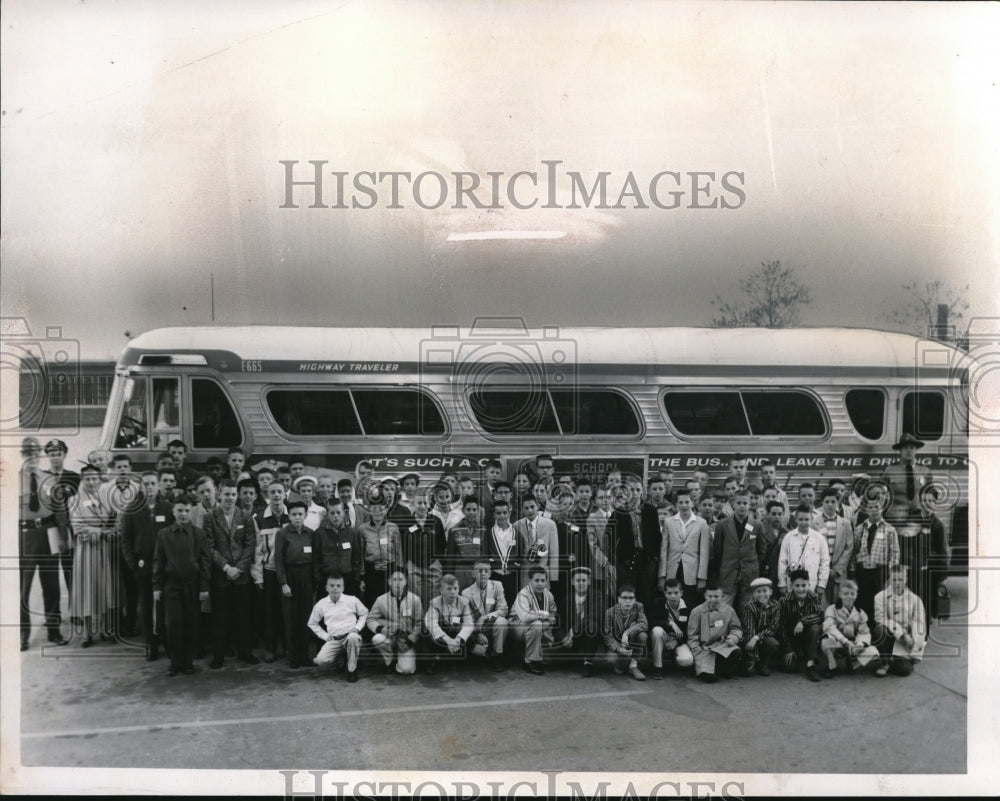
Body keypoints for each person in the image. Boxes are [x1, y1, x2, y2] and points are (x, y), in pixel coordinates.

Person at [152, 495, 212, 676]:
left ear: (191, 512)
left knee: (191, 624)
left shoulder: (199, 534)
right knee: (173, 625)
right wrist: (157, 587)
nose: (183, 514)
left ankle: (187, 663)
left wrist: (204, 587)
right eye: (179, 510)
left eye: (187, 510)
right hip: (171, 587)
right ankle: (175, 662)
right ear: (173, 512)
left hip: (192, 586)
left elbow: (205, 562)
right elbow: (158, 562)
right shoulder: (163, 535)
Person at [19, 437, 69, 650]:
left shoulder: (49, 479)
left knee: (51, 585)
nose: (32, 458)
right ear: (21, 456)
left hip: (48, 533)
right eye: (27, 454)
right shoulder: (11, 479)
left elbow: (60, 510)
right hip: (24, 535)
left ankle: (54, 631)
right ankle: (23, 635)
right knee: (23, 588)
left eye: (35, 454)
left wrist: (64, 538)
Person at [203, 479, 259, 668]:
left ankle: (245, 652)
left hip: (241, 576)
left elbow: (250, 545)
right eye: (226, 494)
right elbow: (209, 547)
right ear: (219, 494)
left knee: (243, 616)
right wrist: (226, 567)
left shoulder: (245, 516)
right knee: (220, 617)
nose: (230, 498)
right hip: (221, 575)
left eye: (233, 494)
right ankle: (218, 655)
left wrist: (239, 568)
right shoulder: (210, 517)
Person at [120, 471, 174, 660]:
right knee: (146, 604)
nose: (150, 487)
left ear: (158, 485)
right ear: (141, 487)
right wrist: (133, 563)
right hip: (143, 565)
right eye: (146, 484)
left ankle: (166, 640)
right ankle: (151, 644)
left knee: (165, 605)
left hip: (164, 566)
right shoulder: (132, 509)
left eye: (153, 483)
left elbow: (174, 536)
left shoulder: (168, 508)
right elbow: (125, 538)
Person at [69, 463, 118, 646]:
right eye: (87, 479)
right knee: (87, 590)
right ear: (82, 480)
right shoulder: (74, 501)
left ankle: (106, 629)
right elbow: (78, 527)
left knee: (106, 588)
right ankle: (88, 633)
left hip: (106, 550)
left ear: (99, 480)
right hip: (86, 551)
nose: (91, 482)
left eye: (94, 478)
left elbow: (115, 520)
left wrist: (113, 530)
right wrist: (103, 532)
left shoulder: (107, 499)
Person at [275, 500, 318, 668]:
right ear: (289, 516)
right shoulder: (283, 534)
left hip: (306, 576)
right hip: (290, 576)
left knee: (305, 617)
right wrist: (283, 583)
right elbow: (278, 560)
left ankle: (305, 655)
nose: (297, 517)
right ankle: (293, 656)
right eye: (294, 514)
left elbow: (315, 559)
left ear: (305, 515)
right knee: (291, 618)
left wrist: (314, 580)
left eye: (300, 514)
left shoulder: (311, 533)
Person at [252, 481, 289, 662]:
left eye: (279, 491)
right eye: (272, 492)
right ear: (268, 495)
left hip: (288, 573)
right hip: (269, 571)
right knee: (269, 612)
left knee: (287, 610)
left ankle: (287, 645)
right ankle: (271, 647)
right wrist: (258, 576)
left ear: (285, 494)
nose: (276, 495)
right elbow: (258, 551)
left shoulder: (293, 516)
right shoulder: (259, 518)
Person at [710, 490, 764, 612]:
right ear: (732, 504)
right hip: (728, 574)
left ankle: (747, 631)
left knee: (747, 609)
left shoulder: (756, 525)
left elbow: (761, 551)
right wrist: (719, 573)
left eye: (745, 503)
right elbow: (717, 551)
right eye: (739, 503)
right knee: (723, 609)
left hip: (749, 575)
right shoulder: (722, 525)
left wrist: (754, 568)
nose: (742, 506)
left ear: (749, 504)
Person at [658, 489, 711, 610]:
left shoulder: (701, 523)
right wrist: (661, 576)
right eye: (681, 502)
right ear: (676, 505)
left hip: (692, 571)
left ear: (692, 503)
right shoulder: (668, 522)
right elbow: (663, 551)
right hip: (673, 569)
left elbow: (704, 552)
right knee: (672, 601)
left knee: (690, 603)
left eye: (687, 502)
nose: (684, 505)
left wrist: (702, 577)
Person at [849, 495, 901, 620]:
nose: (874, 510)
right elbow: (854, 551)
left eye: (876, 507)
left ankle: (876, 630)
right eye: (870, 507)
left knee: (878, 602)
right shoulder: (859, 529)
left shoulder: (890, 530)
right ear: (866, 510)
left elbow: (895, 553)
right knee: (862, 602)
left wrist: (891, 574)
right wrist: (852, 571)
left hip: (879, 573)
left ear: (882, 508)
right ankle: (863, 630)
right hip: (862, 573)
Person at [309, 573, 368, 682]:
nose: (335, 588)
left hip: (350, 637)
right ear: (326, 588)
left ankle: (351, 669)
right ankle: (341, 659)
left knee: (353, 638)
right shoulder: (321, 604)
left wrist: (357, 628)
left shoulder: (352, 600)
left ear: (343, 588)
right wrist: (325, 636)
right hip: (334, 639)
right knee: (320, 661)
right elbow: (312, 623)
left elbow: (364, 613)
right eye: (332, 586)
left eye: (338, 586)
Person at [872, 565, 926, 677]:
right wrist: (902, 634)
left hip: (906, 642)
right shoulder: (879, 597)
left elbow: (920, 625)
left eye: (901, 579)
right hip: (890, 636)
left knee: (905, 670)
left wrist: (915, 650)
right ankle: (885, 662)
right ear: (889, 579)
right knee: (879, 629)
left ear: (906, 579)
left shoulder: (915, 600)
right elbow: (880, 618)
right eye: (894, 579)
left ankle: (898, 659)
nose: (897, 583)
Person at [368, 568, 424, 674]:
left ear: (405, 581)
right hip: (390, 635)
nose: (397, 583)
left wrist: (410, 642)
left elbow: (420, 622)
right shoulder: (381, 600)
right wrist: (382, 628)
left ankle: (402, 655)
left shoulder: (415, 599)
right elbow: (371, 619)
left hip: (405, 639)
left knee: (406, 670)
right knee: (377, 639)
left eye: (400, 579)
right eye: (394, 580)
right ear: (389, 582)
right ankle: (390, 661)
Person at [820, 579, 879, 677]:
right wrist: (845, 641)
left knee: (873, 652)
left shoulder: (861, 613)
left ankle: (853, 664)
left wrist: (859, 644)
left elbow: (864, 633)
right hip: (838, 642)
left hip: (852, 645)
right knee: (825, 642)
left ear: (856, 595)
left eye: (852, 593)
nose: (849, 596)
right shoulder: (831, 609)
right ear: (840, 594)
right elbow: (829, 626)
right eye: (845, 593)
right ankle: (831, 666)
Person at [42, 438, 79, 598]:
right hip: (48, 528)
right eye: (51, 454)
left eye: (58, 453)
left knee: (70, 570)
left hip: (68, 528)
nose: (55, 457)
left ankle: (75, 610)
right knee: (49, 573)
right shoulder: (41, 477)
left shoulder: (74, 477)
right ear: (47, 456)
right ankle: (52, 614)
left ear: (64, 454)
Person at [551, 567, 603, 676]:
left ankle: (588, 663)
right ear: (572, 582)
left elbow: (594, 615)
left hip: (589, 636)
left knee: (592, 626)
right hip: (573, 639)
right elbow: (559, 623)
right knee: (558, 662)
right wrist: (563, 638)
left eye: (584, 580)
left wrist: (575, 629)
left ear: (589, 581)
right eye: (578, 580)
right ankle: (576, 656)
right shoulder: (567, 599)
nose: (581, 583)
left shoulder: (597, 596)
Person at [687, 582, 743, 682]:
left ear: (722, 596)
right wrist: (696, 651)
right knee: (710, 679)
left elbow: (736, 628)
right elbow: (692, 635)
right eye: (710, 596)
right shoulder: (697, 611)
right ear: (705, 596)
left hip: (722, 645)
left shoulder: (729, 610)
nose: (713, 599)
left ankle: (724, 668)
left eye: (716, 596)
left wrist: (733, 638)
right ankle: (710, 668)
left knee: (736, 652)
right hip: (704, 649)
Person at [510, 567, 559, 675]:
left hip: (537, 626)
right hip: (516, 625)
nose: (540, 584)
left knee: (548, 662)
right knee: (537, 625)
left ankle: (532, 653)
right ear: (530, 581)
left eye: (543, 580)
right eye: (536, 580)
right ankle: (529, 661)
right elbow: (525, 617)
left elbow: (553, 614)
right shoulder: (523, 594)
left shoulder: (548, 594)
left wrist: (549, 622)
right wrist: (544, 618)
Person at [358, 490, 403, 608]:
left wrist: (398, 574)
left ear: (386, 510)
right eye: (374, 509)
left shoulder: (393, 528)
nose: (377, 512)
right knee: (372, 605)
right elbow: (361, 556)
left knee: (391, 605)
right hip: (371, 573)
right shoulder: (362, 529)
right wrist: (362, 577)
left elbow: (399, 554)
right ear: (369, 510)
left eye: (381, 508)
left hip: (390, 572)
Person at [462, 560, 509, 670]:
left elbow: (504, 610)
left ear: (490, 573)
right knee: (477, 655)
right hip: (478, 629)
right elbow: (467, 619)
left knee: (502, 621)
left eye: (486, 571)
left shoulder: (497, 585)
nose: (483, 573)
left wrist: (484, 617)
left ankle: (497, 655)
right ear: (473, 573)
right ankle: (479, 651)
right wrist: (476, 634)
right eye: (480, 571)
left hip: (493, 625)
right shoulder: (466, 593)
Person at [423, 574, 475, 674]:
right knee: (426, 632)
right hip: (442, 634)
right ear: (441, 591)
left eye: (455, 588)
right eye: (449, 589)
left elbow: (469, 624)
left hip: (455, 633)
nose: (453, 592)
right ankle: (432, 661)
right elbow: (431, 624)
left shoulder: (464, 602)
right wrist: (448, 640)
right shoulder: (434, 603)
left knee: (474, 644)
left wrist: (458, 639)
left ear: (459, 588)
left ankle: (454, 657)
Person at [777, 505, 830, 599]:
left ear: (811, 519)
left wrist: (822, 584)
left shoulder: (819, 538)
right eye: (800, 519)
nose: (804, 522)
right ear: (796, 519)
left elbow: (825, 562)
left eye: (807, 519)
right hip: (792, 585)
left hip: (812, 585)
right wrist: (782, 583)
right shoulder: (789, 537)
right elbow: (782, 561)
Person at [781, 569, 824, 682]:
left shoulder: (813, 597)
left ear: (808, 584)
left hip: (808, 637)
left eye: (804, 585)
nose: (801, 589)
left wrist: (803, 621)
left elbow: (820, 616)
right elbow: (781, 626)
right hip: (792, 637)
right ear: (791, 586)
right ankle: (798, 654)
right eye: (797, 586)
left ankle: (810, 664)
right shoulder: (785, 601)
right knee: (791, 668)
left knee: (815, 627)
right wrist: (788, 649)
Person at [314, 503, 365, 598]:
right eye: (332, 513)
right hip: (327, 580)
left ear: (344, 513)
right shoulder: (319, 533)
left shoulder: (352, 533)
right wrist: (319, 579)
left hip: (348, 580)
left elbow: (356, 557)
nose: (335, 516)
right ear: (327, 515)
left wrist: (355, 578)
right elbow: (316, 559)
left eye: (338, 512)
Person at [648, 577, 694, 678]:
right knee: (656, 631)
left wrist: (676, 643)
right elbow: (652, 622)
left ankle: (674, 657)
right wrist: (670, 623)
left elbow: (691, 632)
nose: (672, 596)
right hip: (663, 638)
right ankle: (657, 667)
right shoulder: (658, 602)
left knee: (687, 661)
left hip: (679, 639)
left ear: (681, 593)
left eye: (676, 593)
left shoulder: (689, 606)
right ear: (665, 593)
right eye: (669, 593)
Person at [816, 488, 854, 606]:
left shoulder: (846, 523)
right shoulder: (814, 523)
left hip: (839, 572)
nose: (830, 505)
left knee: (839, 604)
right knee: (822, 604)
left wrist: (837, 569)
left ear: (838, 503)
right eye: (827, 501)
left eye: (833, 501)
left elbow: (849, 547)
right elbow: (813, 549)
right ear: (822, 503)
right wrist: (825, 568)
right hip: (821, 571)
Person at [603, 584, 649, 680]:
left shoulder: (638, 607)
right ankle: (619, 664)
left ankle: (633, 665)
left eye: (631, 598)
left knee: (643, 636)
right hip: (617, 644)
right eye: (624, 598)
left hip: (631, 642)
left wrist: (627, 632)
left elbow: (644, 624)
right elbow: (607, 636)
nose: (628, 601)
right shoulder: (610, 612)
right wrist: (619, 649)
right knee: (611, 659)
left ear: (635, 599)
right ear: (619, 599)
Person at [739, 577, 783, 676]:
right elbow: (749, 630)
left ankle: (762, 663)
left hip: (763, 638)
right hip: (749, 638)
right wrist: (752, 656)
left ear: (770, 592)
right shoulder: (749, 607)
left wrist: (757, 637)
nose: (762, 594)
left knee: (773, 642)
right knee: (747, 673)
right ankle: (750, 659)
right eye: (758, 591)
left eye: (764, 591)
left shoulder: (776, 606)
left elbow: (773, 628)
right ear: (754, 594)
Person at [482, 499, 521, 605]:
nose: (502, 516)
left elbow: (520, 552)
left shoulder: (516, 531)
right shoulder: (489, 532)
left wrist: (517, 564)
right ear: (494, 514)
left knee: (512, 602)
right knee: (495, 603)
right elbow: (485, 553)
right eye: (498, 513)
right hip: (495, 574)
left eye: (504, 512)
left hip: (512, 575)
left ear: (509, 513)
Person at [515, 498, 559, 589]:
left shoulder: (550, 524)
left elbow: (554, 552)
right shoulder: (516, 525)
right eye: (526, 508)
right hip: (525, 575)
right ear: (522, 509)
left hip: (543, 574)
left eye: (532, 507)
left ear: (538, 506)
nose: (530, 510)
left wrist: (554, 577)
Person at [446, 496, 485, 589]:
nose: (471, 512)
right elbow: (449, 557)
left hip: (478, 571)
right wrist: (450, 577)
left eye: (474, 509)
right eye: (468, 509)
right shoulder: (454, 530)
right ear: (463, 510)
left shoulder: (483, 530)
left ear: (477, 511)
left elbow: (485, 555)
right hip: (460, 571)